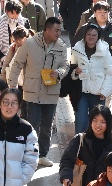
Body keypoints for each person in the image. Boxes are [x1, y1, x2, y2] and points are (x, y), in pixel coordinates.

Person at [7, 17, 67, 167]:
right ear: (47, 30)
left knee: (47, 126)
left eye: (60, 30)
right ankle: (28, 153)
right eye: (56, 30)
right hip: (32, 91)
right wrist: (12, 86)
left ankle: (43, 155)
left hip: (51, 92)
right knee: (31, 124)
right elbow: (17, 64)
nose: (59, 33)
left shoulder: (61, 46)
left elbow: (65, 65)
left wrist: (59, 72)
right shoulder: (30, 43)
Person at [70, 25, 112, 133]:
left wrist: (105, 91)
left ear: (98, 37)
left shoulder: (104, 51)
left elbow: (111, 73)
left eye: (94, 35)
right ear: (84, 36)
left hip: (98, 94)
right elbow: (71, 68)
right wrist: (75, 72)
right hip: (81, 92)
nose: (91, 37)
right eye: (88, 34)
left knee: (96, 123)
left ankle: (95, 147)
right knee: (81, 121)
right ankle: (80, 145)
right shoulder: (77, 49)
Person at [74, 1, 112, 69]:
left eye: (105, 12)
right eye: (100, 12)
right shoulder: (85, 29)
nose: (102, 14)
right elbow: (75, 45)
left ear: (108, 13)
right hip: (89, 70)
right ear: (95, 13)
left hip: (110, 70)